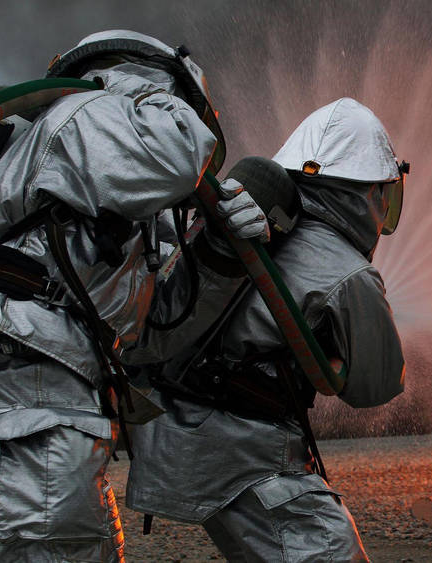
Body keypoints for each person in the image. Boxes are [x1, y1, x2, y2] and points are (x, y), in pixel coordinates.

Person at [0, 30, 268, 562]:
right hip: (30, 419)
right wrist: (153, 87)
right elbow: (179, 150)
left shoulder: (86, 173)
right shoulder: (81, 116)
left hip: (43, 415)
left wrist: (219, 257)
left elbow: (148, 337)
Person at [127, 97, 408, 562]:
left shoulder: (250, 226)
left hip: (180, 431)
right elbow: (374, 386)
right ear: (369, 194)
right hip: (249, 455)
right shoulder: (348, 273)